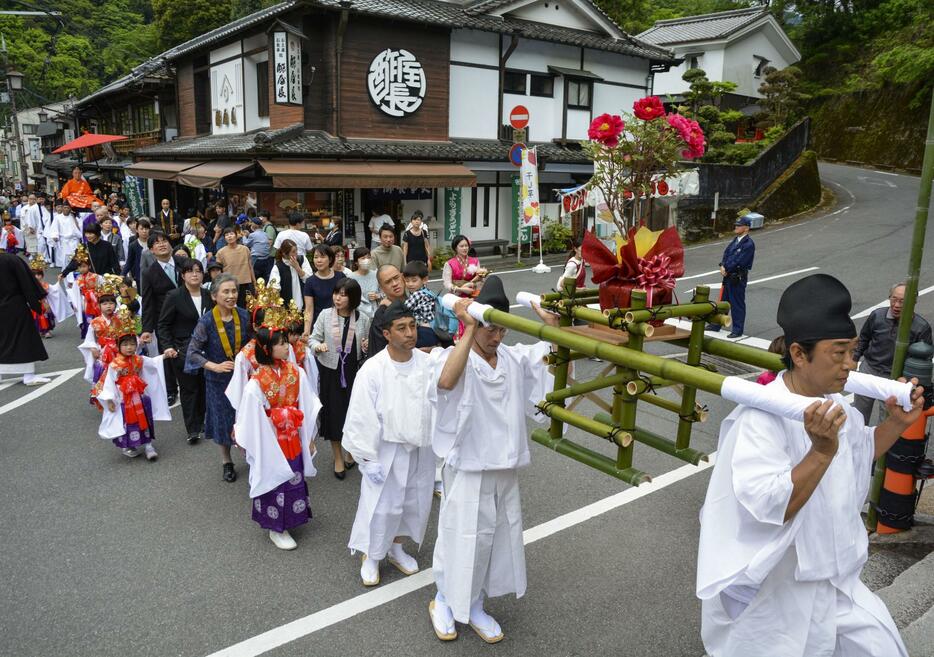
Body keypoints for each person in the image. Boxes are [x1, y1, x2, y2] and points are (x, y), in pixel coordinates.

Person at [696, 273, 922, 657]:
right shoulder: (760, 418)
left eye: (852, 351)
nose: (850, 364)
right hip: (779, 595)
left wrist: (896, 424)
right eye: (839, 353)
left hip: (839, 584)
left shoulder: (837, 405)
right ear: (800, 354)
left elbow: (858, 454)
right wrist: (819, 453)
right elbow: (773, 506)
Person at [428, 276, 559, 643]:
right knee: (459, 535)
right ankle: (443, 598)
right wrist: (468, 326)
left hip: (505, 468)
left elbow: (553, 362)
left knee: (494, 539)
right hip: (468, 468)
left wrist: (553, 327)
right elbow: (445, 383)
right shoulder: (457, 357)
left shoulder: (513, 359)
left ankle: (474, 603)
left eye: (502, 329)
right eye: (490, 329)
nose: (496, 337)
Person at [343, 300, 436, 586]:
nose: (410, 333)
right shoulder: (373, 369)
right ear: (386, 333)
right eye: (401, 328)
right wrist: (366, 459)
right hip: (386, 450)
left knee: (410, 503)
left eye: (412, 326)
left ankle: (395, 547)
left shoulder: (427, 363)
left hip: (419, 447)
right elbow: (360, 414)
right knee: (381, 505)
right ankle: (371, 554)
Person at [233, 315, 321, 550]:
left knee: (294, 474)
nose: (286, 346)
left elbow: (307, 404)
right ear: (266, 348)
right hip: (270, 438)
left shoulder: (295, 372)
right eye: (280, 343)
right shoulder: (256, 382)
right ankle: (275, 527)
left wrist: (309, 436)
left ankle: (292, 518)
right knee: (274, 477)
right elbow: (250, 416)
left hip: (292, 434)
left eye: (285, 342)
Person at [185, 274, 254, 482]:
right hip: (218, 381)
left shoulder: (244, 315)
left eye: (234, 291)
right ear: (214, 296)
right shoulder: (206, 321)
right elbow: (192, 352)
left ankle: (252, 456)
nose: (231, 295)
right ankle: (227, 461)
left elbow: (252, 342)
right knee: (223, 421)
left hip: (244, 379)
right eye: (226, 291)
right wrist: (213, 366)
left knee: (248, 418)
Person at [310, 277, 369, 479]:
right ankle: (337, 457)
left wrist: (366, 347)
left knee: (354, 414)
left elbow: (367, 343)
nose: (338, 298)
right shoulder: (325, 315)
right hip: (331, 372)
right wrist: (317, 346)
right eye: (336, 293)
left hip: (355, 373)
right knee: (334, 415)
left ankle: (351, 451)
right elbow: (313, 338)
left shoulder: (363, 317)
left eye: (343, 295)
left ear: (353, 298)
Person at [94, 307, 172, 460]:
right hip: (123, 397)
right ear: (118, 346)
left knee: (145, 416)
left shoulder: (138, 359)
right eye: (125, 345)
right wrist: (109, 399)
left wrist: (165, 356)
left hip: (140, 395)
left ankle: (149, 445)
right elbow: (109, 382)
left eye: (132, 344)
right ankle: (131, 444)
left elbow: (152, 363)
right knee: (127, 421)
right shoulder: (115, 364)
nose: (129, 347)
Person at [852, 282, 933, 423]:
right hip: (869, 369)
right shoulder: (877, 316)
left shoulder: (921, 327)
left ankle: (882, 445)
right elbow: (864, 338)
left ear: (913, 302)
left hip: (894, 376)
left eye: (902, 301)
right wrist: (854, 359)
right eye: (893, 299)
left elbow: (924, 358)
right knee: (859, 413)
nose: (896, 305)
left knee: (887, 417)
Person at [158, 259, 213, 445]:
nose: (195, 274)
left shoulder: (209, 295)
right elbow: (163, 325)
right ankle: (193, 428)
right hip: (183, 350)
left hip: (207, 350)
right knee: (189, 389)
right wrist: (168, 346)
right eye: (190, 271)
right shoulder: (174, 296)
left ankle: (206, 421)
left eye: (198, 271)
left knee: (206, 386)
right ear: (183, 275)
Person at [141, 231, 187, 405]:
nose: (161, 244)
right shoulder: (149, 272)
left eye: (164, 240)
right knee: (167, 355)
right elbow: (148, 302)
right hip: (164, 320)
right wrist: (147, 329)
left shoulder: (184, 264)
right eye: (156, 243)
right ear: (151, 250)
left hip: (188, 316)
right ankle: (170, 390)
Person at [0, 252, 50, 386]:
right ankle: (28, 376)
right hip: (14, 306)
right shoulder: (11, 259)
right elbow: (27, 282)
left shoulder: (10, 259)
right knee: (24, 338)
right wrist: (37, 303)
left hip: (11, 305)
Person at [707, 216, 755, 339]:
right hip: (728, 276)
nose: (736, 227)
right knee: (723, 301)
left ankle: (737, 329)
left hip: (737, 277)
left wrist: (726, 268)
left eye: (739, 225)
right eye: (736, 225)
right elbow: (727, 253)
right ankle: (716, 323)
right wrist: (723, 265)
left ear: (746, 228)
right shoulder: (735, 240)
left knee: (737, 303)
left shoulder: (748, 244)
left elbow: (740, 261)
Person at [302, 244, 346, 334]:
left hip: (339, 323)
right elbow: (309, 309)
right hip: (319, 325)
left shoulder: (340, 277)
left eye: (322, 257)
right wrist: (306, 331)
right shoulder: (310, 282)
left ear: (330, 259)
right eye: (316, 257)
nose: (318, 260)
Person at [367, 265, 407, 356]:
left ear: (403, 277)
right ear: (381, 288)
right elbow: (378, 352)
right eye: (388, 282)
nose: (394, 283)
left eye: (396, 278)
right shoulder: (382, 314)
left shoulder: (417, 300)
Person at [215, 226, 256, 308]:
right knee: (231, 307)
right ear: (224, 238)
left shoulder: (245, 249)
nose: (229, 236)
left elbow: (250, 266)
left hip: (245, 283)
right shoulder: (221, 252)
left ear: (236, 235)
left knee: (246, 307)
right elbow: (218, 271)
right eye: (226, 235)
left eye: (231, 234)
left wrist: (254, 282)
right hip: (229, 284)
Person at [402, 260, 440, 347]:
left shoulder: (417, 294)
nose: (410, 284)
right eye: (407, 281)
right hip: (433, 330)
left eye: (414, 280)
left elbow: (404, 308)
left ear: (425, 280)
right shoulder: (429, 292)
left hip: (423, 331)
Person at [268, 238, 312, 312]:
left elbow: (309, 279)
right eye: (293, 252)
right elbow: (274, 287)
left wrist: (297, 268)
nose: (296, 253)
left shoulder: (302, 259)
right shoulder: (278, 267)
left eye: (296, 250)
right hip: (287, 308)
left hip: (305, 305)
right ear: (285, 254)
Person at [347, 247, 380, 319]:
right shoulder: (351, 277)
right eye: (363, 258)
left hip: (376, 314)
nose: (366, 260)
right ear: (356, 262)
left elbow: (384, 293)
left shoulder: (376, 275)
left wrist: (378, 296)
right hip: (358, 316)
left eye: (368, 257)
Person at [49, 204, 83, 268]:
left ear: (70, 209)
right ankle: (65, 271)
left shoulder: (74, 217)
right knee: (65, 258)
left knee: (74, 257)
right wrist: (55, 235)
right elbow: (54, 228)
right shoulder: (57, 217)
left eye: (68, 208)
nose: (66, 209)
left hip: (74, 240)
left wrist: (74, 218)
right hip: (64, 241)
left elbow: (79, 229)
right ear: (62, 208)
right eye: (65, 207)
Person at [122, 218, 151, 284]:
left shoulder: (154, 242)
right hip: (139, 276)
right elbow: (129, 262)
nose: (144, 231)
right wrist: (122, 274)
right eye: (142, 229)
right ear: (137, 230)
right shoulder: (133, 245)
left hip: (154, 274)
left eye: (146, 229)